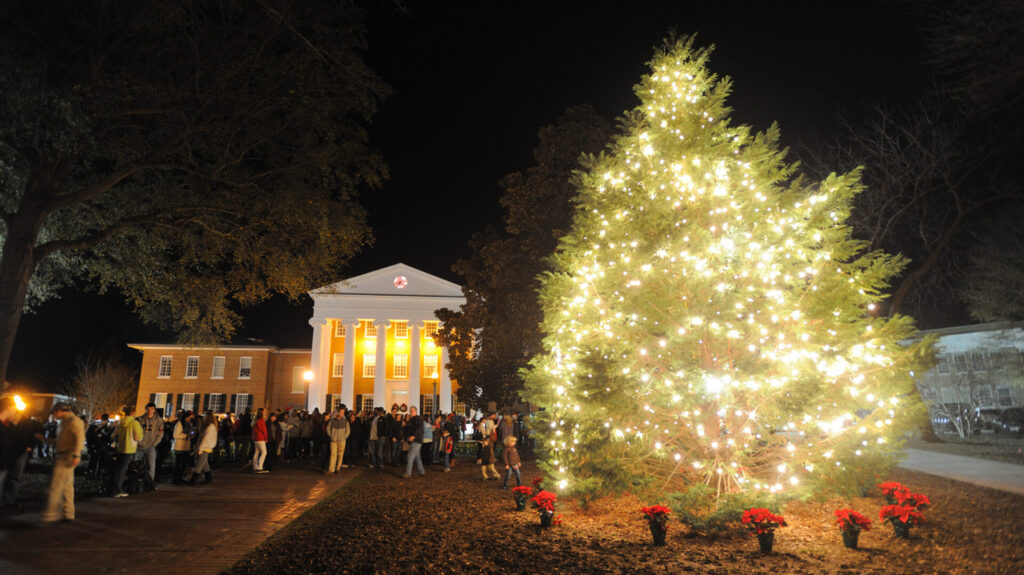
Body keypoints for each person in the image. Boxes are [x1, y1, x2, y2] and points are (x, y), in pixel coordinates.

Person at [42, 402, 85, 522]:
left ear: (60, 411)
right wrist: (45, 439)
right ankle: (68, 513)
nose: (54, 416)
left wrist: (76, 455)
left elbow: (80, 438)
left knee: (56, 486)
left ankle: (50, 514)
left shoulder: (73, 421)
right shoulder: (66, 422)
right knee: (67, 487)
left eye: (55, 413)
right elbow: (61, 441)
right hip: (66, 455)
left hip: (67, 456)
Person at [113, 406, 143, 498]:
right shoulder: (134, 423)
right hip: (130, 448)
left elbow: (113, 435)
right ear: (133, 413)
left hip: (120, 448)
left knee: (118, 469)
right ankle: (118, 490)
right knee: (123, 469)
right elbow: (138, 437)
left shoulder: (120, 422)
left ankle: (115, 488)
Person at [137, 402, 164, 483]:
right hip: (139, 446)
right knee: (136, 465)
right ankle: (137, 482)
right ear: (146, 409)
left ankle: (150, 483)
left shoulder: (159, 420)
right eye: (148, 409)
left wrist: (154, 444)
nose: (150, 411)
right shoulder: (140, 419)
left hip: (150, 447)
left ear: (154, 410)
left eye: (151, 409)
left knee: (151, 467)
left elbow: (160, 434)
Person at [187, 412, 217, 485]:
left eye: (205, 417)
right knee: (204, 464)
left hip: (205, 447)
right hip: (206, 447)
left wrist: (200, 448)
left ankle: (193, 481)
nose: (203, 418)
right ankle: (208, 479)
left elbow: (205, 438)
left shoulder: (210, 427)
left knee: (199, 465)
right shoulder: (211, 426)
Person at [0, 397, 17, 505]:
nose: (15, 411)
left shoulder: (9, 427)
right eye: (14, 408)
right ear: (8, 408)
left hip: (4, 464)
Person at [171, 411, 194, 484]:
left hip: (185, 447)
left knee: (183, 464)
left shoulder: (188, 424)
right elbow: (175, 435)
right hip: (179, 447)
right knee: (178, 465)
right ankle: (176, 479)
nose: (189, 419)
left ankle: (180, 478)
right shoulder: (179, 424)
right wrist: (186, 436)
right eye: (189, 418)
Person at [326, 406, 350, 474]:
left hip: (342, 440)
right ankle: (331, 469)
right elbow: (328, 429)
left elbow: (348, 431)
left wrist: (344, 437)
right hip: (333, 440)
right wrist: (331, 436)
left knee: (340, 455)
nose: (342, 413)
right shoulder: (332, 421)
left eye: (343, 412)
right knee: (333, 454)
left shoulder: (345, 421)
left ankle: (338, 468)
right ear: (338, 412)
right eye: (341, 412)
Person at [403, 406, 425, 478]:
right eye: (410, 411)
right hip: (415, 440)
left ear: (416, 411)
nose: (411, 412)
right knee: (417, 457)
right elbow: (409, 429)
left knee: (410, 456)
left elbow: (420, 429)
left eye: (412, 411)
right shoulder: (412, 420)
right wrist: (405, 426)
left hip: (417, 440)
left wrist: (414, 436)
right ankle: (421, 471)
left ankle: (408, 473)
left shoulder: (418, 419)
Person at [251, 408, 269, 473]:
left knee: (257, 452)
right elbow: (264, 430)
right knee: (264, 452)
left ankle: (255, 467)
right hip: (261, 438)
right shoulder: (261, 420)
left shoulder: (255, 421)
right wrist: (266, 438)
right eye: (264, 411)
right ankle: (260, 467)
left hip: (256, 438)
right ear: (262, 413)